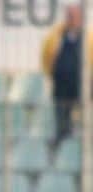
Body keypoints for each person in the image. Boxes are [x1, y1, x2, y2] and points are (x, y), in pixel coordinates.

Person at [42, 4, 89, 147]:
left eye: (74, 16)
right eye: (69, 16)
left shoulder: (88, 38)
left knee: (83, 121)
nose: (71, 19)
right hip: (62, 89)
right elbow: (47, 59)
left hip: (83, 89)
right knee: (62, 123)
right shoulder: (56, 37)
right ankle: (62, 147)